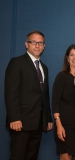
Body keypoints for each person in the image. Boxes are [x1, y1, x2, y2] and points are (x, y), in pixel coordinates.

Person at [4, 30, 53, 160]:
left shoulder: (44, 68)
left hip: (38, 123)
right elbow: (11, 93)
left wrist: (47, 118)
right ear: (27, 44)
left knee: (32, 157)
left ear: (44, 46)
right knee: (18, 156)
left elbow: (45, 96)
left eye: (40, 43)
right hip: (20, 122)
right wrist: (14, 118)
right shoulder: (17, 63)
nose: (37, 45)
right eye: (33, 42)